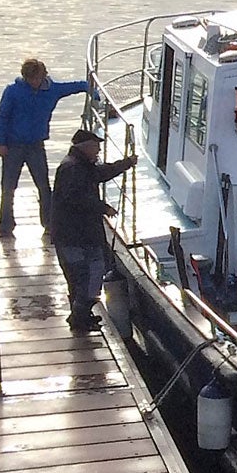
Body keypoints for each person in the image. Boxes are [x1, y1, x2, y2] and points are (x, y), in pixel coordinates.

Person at [47, 128, 136, 332]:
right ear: (85, 147)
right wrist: (103, 207)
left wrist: (125, 164)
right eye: (95, 147)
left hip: (77, 235)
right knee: (88, 274)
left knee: (84, 276)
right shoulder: (73, 169)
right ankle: (79, 317)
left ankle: (82, 315)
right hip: (75, 236)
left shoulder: (79, 165)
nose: (98, 151)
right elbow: (75, 199)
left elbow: (100, 174)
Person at [0, 58, 90, 237]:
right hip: (13, 145)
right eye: (31, 79)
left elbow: (78, 86)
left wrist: (93, 91)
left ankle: (50, 223)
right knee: (8, 187)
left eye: (37, 78)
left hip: (36, 145)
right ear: (25, 77)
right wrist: (1, 142)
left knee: (44, 186)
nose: (34, 83)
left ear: (43, 75)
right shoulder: (13, 91)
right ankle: (5, 225)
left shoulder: (52, 90)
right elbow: (2, 116)